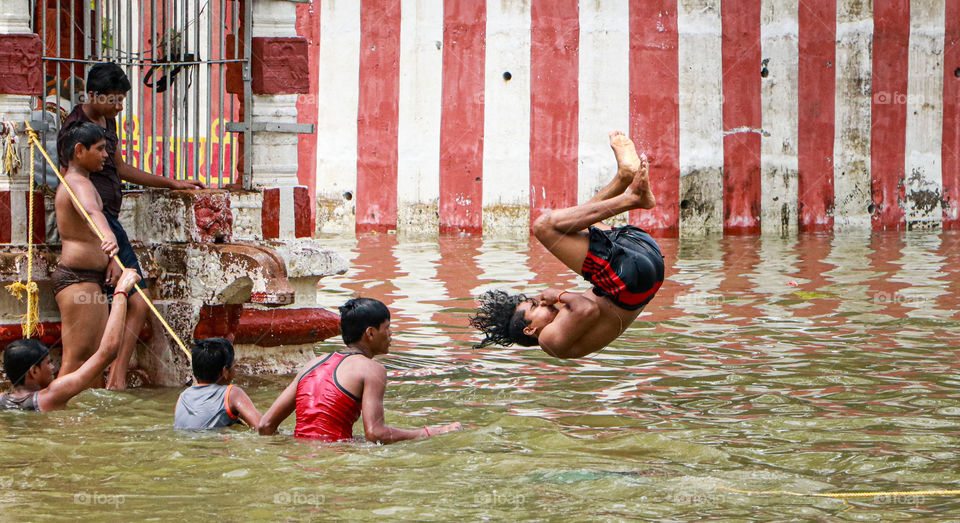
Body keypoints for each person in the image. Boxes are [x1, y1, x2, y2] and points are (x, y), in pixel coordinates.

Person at [57, 62, 205, 390]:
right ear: (92, 95)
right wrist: (108, 250)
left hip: (109, 224)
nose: (119, 107)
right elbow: (84, 202)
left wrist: (171, 183)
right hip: (99, 230)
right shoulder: (76, 132)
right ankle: (116, 379)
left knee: (134, 300)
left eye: (122, 100)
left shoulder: (106, 122)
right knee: (134, 300)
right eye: (113, 99)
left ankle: (115, 377)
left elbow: (120, 167)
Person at [470, 131, 664, 359]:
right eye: (534, 307)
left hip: (642, 261)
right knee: (543, 227)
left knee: (575, 224)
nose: (542, 303)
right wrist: (558, 294)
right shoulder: (549, 341)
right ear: (529, 329)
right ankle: (632, 197)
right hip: (632, 276)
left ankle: (624, 178)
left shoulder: (564, 325)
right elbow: (587, 308)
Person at [258, 298, 461, 443]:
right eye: (387, 328)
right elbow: (375, 434)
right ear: (370, 333)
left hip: (299, 459)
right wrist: (430, 432)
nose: (391, 334)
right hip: (335, 464)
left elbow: (265, 425)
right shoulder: (372, 369)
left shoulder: (312, 364)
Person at [0, 269, 140, 412]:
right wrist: (121, 291)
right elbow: (109, 352)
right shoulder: (51, 396)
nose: (52, 368)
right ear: (34, 371)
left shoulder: (2, 400)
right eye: (48, 363)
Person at [53, 121, 119, 389]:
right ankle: (53, 410)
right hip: (77, 279)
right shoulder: (76, 183)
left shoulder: (83, 182)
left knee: (95, 359)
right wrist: (109, 236)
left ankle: (88, 414)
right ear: (79, 150)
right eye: (100, 149)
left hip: (91, 279)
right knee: (77, 359)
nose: (105, 155)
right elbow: (91, 213)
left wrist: (112, 259)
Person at [174, 338, 261, 430]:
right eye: (233, 364)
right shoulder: (232, 394)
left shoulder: (183, 397)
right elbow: (263, 427)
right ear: (225, 371)